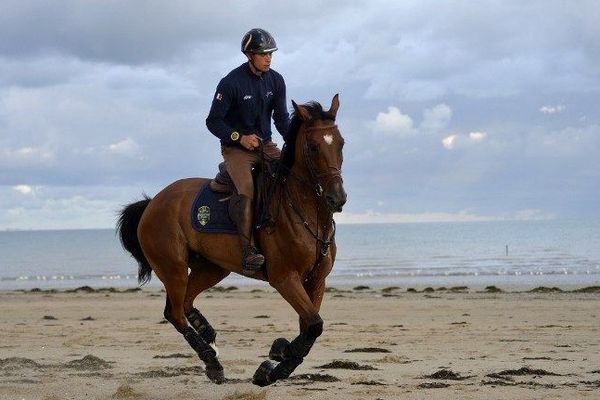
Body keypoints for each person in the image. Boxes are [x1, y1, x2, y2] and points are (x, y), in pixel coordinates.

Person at [206, 28, 290, 276]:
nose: (268, 58)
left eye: (270, 54)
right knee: (247, 190)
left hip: (266, 146)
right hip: (236, 149)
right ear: (249, 55)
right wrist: (239, 138)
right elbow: (213, 122)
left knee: (293, 175)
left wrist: (293, 143)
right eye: (263, 54)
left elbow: (282, 119)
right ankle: (248, 250)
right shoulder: (230, 83)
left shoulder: (276, 80)